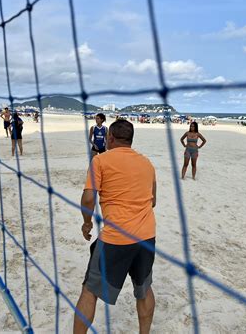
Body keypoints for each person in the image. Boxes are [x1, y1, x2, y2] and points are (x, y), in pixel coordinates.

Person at [74, 119, 157, 334]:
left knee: (89, 292)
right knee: (144, 289)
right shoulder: (147, 163)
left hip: (115, 238)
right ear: (130, 140)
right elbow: (153, 200)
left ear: (110, 138)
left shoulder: (100, 161)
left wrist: (86, 222)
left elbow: (88, 198)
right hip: (146, 237)